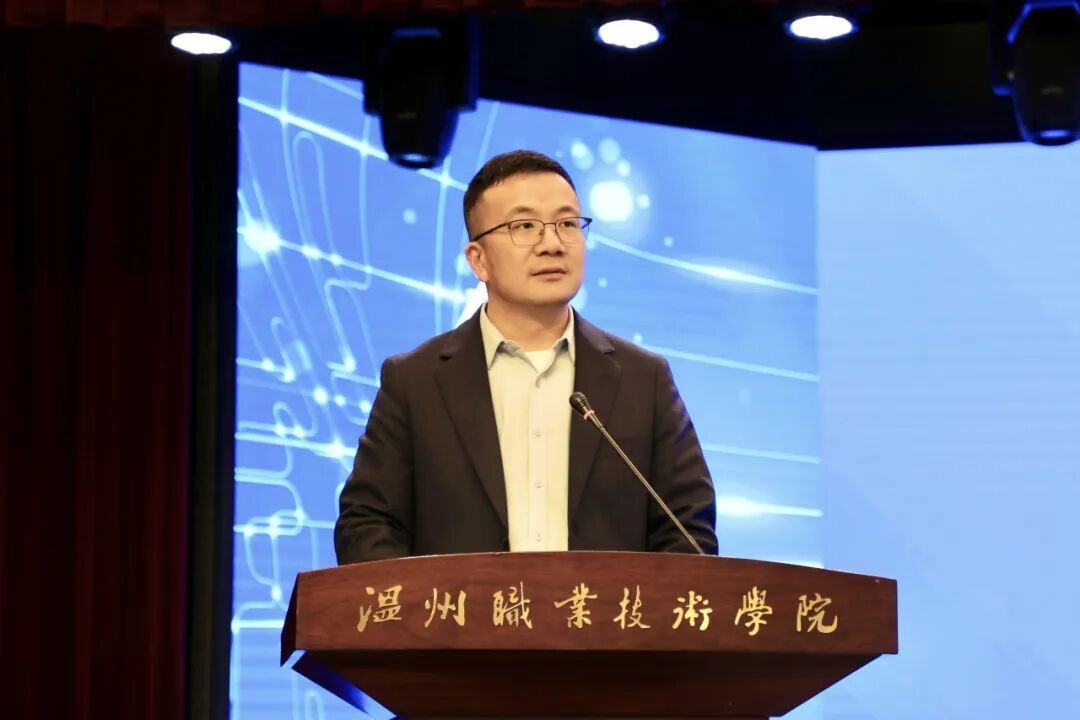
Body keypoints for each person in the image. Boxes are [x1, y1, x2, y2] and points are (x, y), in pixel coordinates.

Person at [334, 150, 717, 564]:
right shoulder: (415, 382)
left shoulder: (644, 379)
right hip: (460, 609)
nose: (552, 244)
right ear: (478, 260)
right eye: (525, 226)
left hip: (601, 609)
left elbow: (687, 531)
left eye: (567, 224)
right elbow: (368, 524)